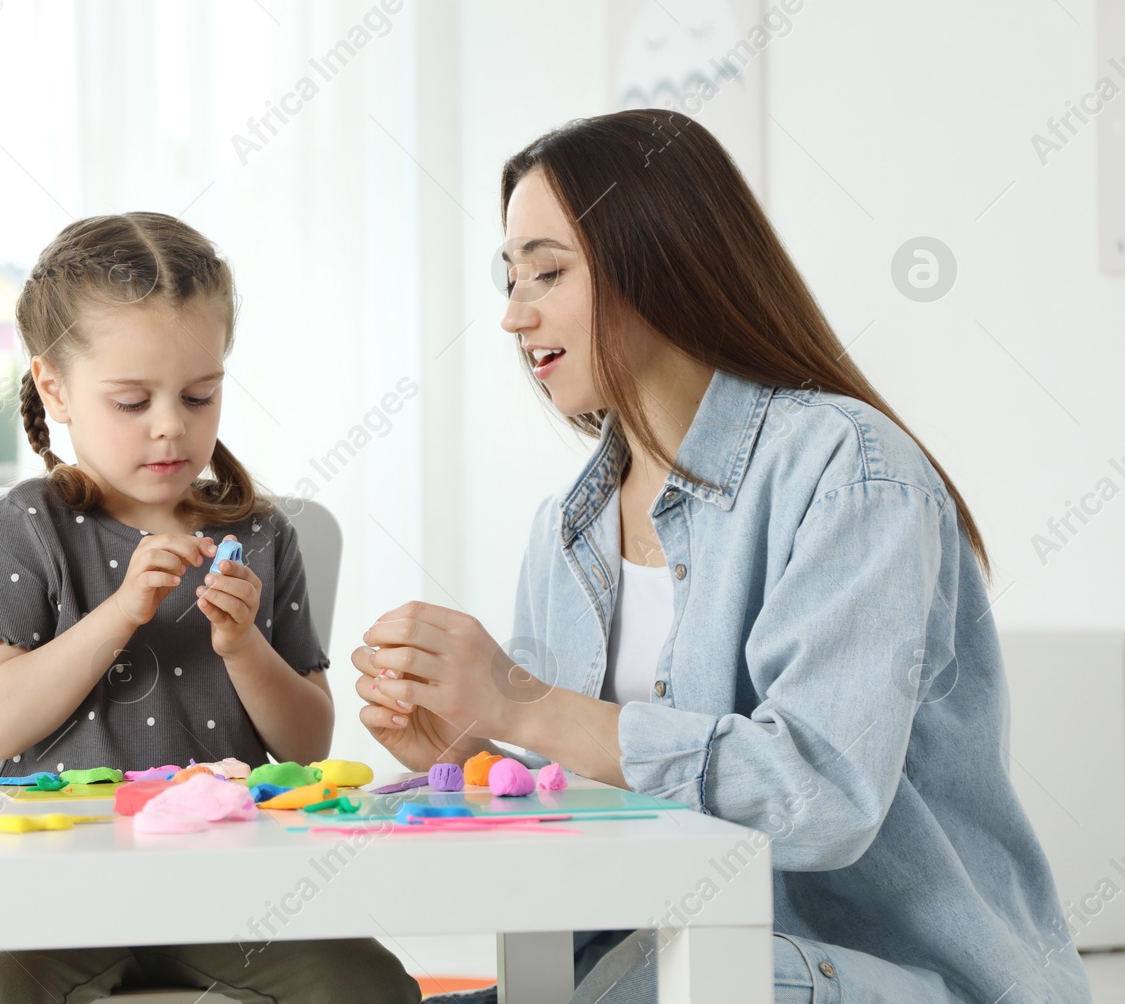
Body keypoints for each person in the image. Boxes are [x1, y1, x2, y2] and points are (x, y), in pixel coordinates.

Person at [357, 112, 1090, 1004]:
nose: (514, 315)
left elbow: (821, 793)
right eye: (509, 278)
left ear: (658, 259)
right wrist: (481, 758)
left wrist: (533, 706)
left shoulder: (849, 473)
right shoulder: (567, 530)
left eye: (547, 271)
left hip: (869, 976)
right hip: (648, 972)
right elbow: (595, 820)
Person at [0, 212, 420, 1004]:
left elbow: (307, 737)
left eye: (200, 394)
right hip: (59, 892)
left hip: (236, 886)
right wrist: (119, 611)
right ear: (54, 388)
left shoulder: (260, 533)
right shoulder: (32, 522)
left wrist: (242, 647)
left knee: (369, 985)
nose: (172, 424)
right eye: (132, 401)